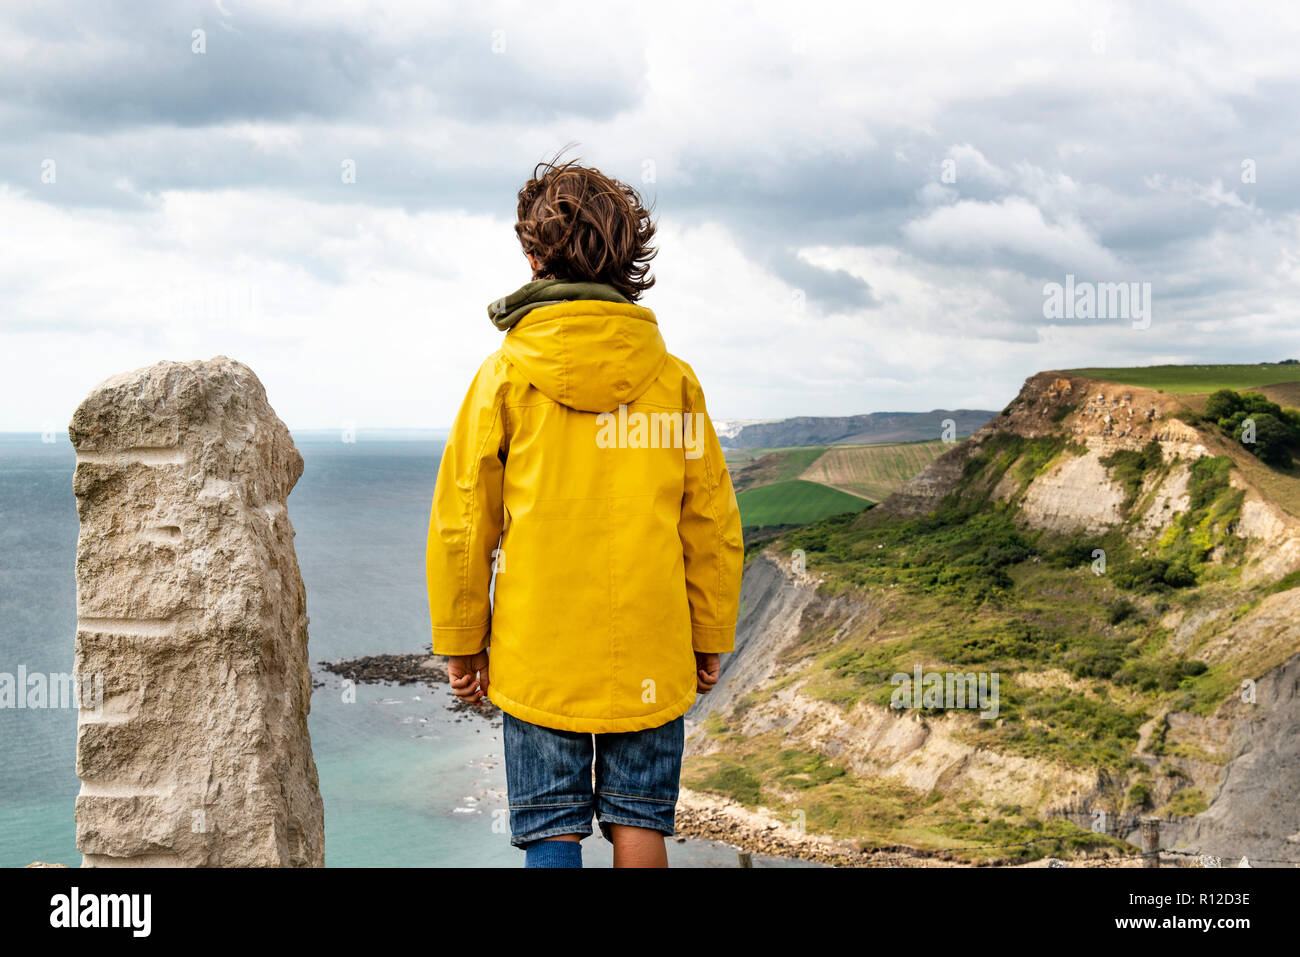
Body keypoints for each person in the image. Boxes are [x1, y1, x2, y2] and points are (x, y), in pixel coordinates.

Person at [426, 155, 743, 868]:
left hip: (539, 653)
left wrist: (461, 641)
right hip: (653, 647)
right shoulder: (674, 380)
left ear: (533, 255)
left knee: (549, 824)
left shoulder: (504, 375)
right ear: (630, 258)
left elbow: (462, 522)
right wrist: (710, 632)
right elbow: (711, 525)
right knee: (640, 819)